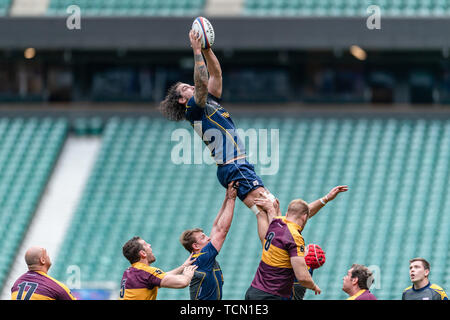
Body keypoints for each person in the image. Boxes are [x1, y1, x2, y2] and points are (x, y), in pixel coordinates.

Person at [159, 29, 276, 243]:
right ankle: (272, 255)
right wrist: (196, 51)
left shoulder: (208, 101)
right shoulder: (193, 108)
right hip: (234, 165)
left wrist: (207, 49)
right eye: (186, 88)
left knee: (268, 207)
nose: (191, 86)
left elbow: (216, 75)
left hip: (235, 166)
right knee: (266, 206)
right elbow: (202, 80)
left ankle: (271, 253)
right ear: (182, 100)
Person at [245, 185, 348, 300]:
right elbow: (303, 277)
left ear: (288, 213)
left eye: (307, 249)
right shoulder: (291, 238)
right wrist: (314, 287)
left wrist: (271, 206)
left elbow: (300, 213)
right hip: (270, 295)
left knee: (261, 214)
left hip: (255, 291)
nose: (306, 247)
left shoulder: (278, 224)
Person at [180, 181, 238, 300]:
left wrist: (227, 197)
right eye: (203, 237)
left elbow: (216, 226)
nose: (209, 238)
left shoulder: (203, 255)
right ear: (195, 246)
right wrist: (232, 200)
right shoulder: (202, 258)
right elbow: (222, 231)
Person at [120, 236, 197, 300]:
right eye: (146, 244)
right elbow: (182, 283)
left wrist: (182, 267)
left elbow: (159, 278)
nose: (149, 245)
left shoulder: (129, 272)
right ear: (143, 253)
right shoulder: (146, 272)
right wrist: (188, 274)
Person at [11, 246, 76, 300]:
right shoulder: (56, 287)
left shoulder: (16, 284)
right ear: (42, 260)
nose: (48, 256)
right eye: (46, 254)